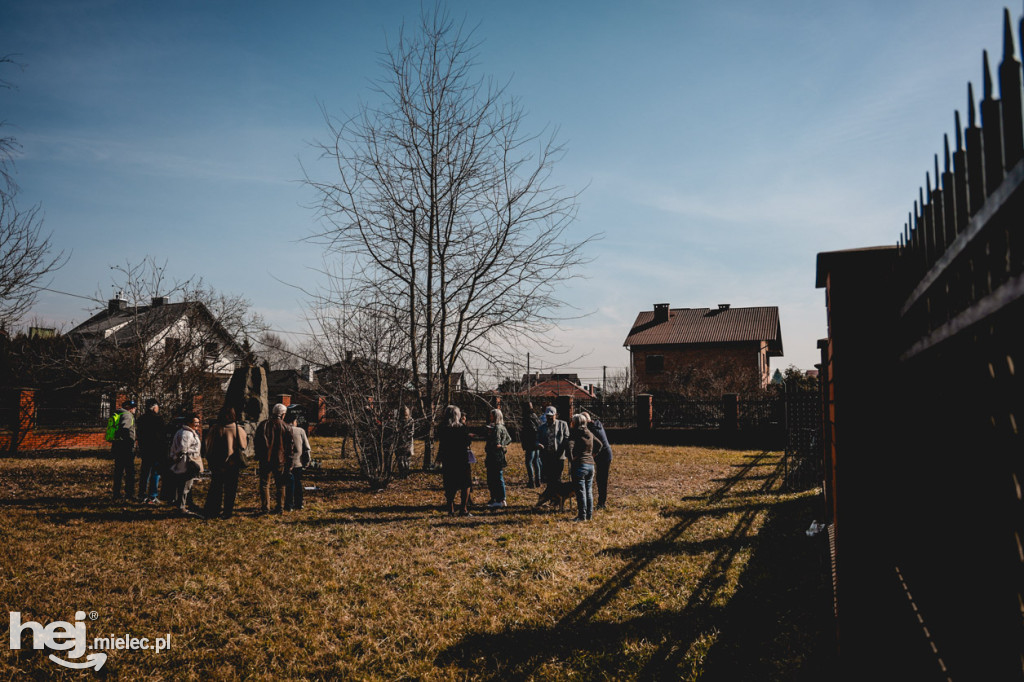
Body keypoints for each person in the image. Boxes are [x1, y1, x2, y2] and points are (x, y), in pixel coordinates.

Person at [203, 406, 247, 520]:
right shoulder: (238, 428)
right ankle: (227, 511)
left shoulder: (215, 428)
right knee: (230, 490)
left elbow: (208, 446)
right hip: (232, 464)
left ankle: (213, 510)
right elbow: (243, 445)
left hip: (217, 463)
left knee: (216, 487)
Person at [255, 403, 293, 514]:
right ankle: (280, 507)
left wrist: (258, 455)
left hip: (265, 459)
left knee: (264, 484)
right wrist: (290, 462)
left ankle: (265, 507)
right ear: (283, 414)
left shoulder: (263, 425)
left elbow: (257, 442)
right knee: (280, 484)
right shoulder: (286, 427)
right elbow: (290, 447)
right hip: (280, 460)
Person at [437, 405, 473, 516]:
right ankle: (464, 508)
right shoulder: (462, 428)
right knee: (466, 484)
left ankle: (451, 509)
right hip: (461, 458)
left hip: (448, 458)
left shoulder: (442, 428)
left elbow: (442, 444)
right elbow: (467, 442)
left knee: (449, 484)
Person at [169, 413, 204, 515]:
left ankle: (183, 504)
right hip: (186, 462)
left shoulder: (186, 432)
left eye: (198, 422)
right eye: (195, 422)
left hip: (185, 461)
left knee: (185, 484)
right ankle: (181, 507)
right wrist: (178, 460)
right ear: (188, 423)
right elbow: (182, 449)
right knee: (185, 485)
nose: (197, 424)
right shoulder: (186, 434)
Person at [135, 398, 165, 503]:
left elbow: (139, 434)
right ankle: (152, 495)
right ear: (154, 407)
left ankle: (141, 494)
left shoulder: (141, 419)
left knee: (145, 472)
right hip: (156, 450)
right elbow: (162, 436)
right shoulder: (158, 419)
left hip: (145, 449)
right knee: (155, 473)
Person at [568, 413, 596, 521]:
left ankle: (582, 516)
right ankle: (589, 515)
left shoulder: (575, 433)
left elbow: (569, 446)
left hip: (580, 465)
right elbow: (599, 444)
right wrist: (592, 454)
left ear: (575, 423)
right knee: (588, 491)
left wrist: (571, 459)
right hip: (590, 465)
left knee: (581, 492)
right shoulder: (589, 433)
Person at [583, 412, 614, 510]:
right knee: (601, 479)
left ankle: (601, 503)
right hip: (606, 454)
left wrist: (593, 454)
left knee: (601, 480)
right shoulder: (597, 423)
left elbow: (596, 444)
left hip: (603, 456)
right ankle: (601, 502)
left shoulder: (591, 429)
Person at [535, 405, 569, 495]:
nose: (549, 418)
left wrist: (564, 449)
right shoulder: (542, 428)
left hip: (559, 456)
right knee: (549, 478)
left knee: (557, 477)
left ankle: (558, 496)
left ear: (556, 415)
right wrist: (538, 444)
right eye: (547, 416)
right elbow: (536, 439)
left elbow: (567, 438)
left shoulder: (563, 424)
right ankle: (551, 496)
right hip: (547, 456)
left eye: (551, 416)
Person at [284, 410, 311, 511]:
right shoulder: (300, 431)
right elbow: (307, 447)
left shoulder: (284, 429)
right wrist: (307, 460)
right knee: (298, 483)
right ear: (294, 421)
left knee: (288, 484)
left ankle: (289, 504)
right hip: (298, 461)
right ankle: (299, 504)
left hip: (286, 461)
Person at [484, 408, 512, 508]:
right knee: (496, 477)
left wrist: (500, 445)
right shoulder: (502, 427)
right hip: (499, 456)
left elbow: (495, 443)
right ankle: (497, 498)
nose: (490, 417)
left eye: (492, 415)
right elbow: (509, 439)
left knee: (494, 478)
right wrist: (504, 445)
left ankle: (500, 499)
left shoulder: (496, 428)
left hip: (494, 456)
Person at [110, 399, 137, 501]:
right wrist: (129, 442)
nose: (134, 409)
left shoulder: (117, 414)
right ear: (127, 407)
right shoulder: (127, 415)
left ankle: (116, 493)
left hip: (117, 447)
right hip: (125, 448)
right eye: (132, 407)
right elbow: (124, 429)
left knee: (118, 472)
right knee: (130, 472)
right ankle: (129, 494)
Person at [520, 403, 542, 488]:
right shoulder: (535, 415)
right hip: (537, 441)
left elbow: (531, 430)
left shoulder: (527, 417)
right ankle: (538, 480)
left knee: (528, 462)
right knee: (536, 461)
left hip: (530, 442)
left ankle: (531, 481)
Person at [395, 406, 414, 477]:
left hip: (407, 442)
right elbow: (397, 430)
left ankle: (406, 472)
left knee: (407, 457)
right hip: (399, 442)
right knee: (400, 458)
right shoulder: (398, 421)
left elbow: (411, 432)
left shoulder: (411, 420)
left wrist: (406, 437)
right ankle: (401, 472)